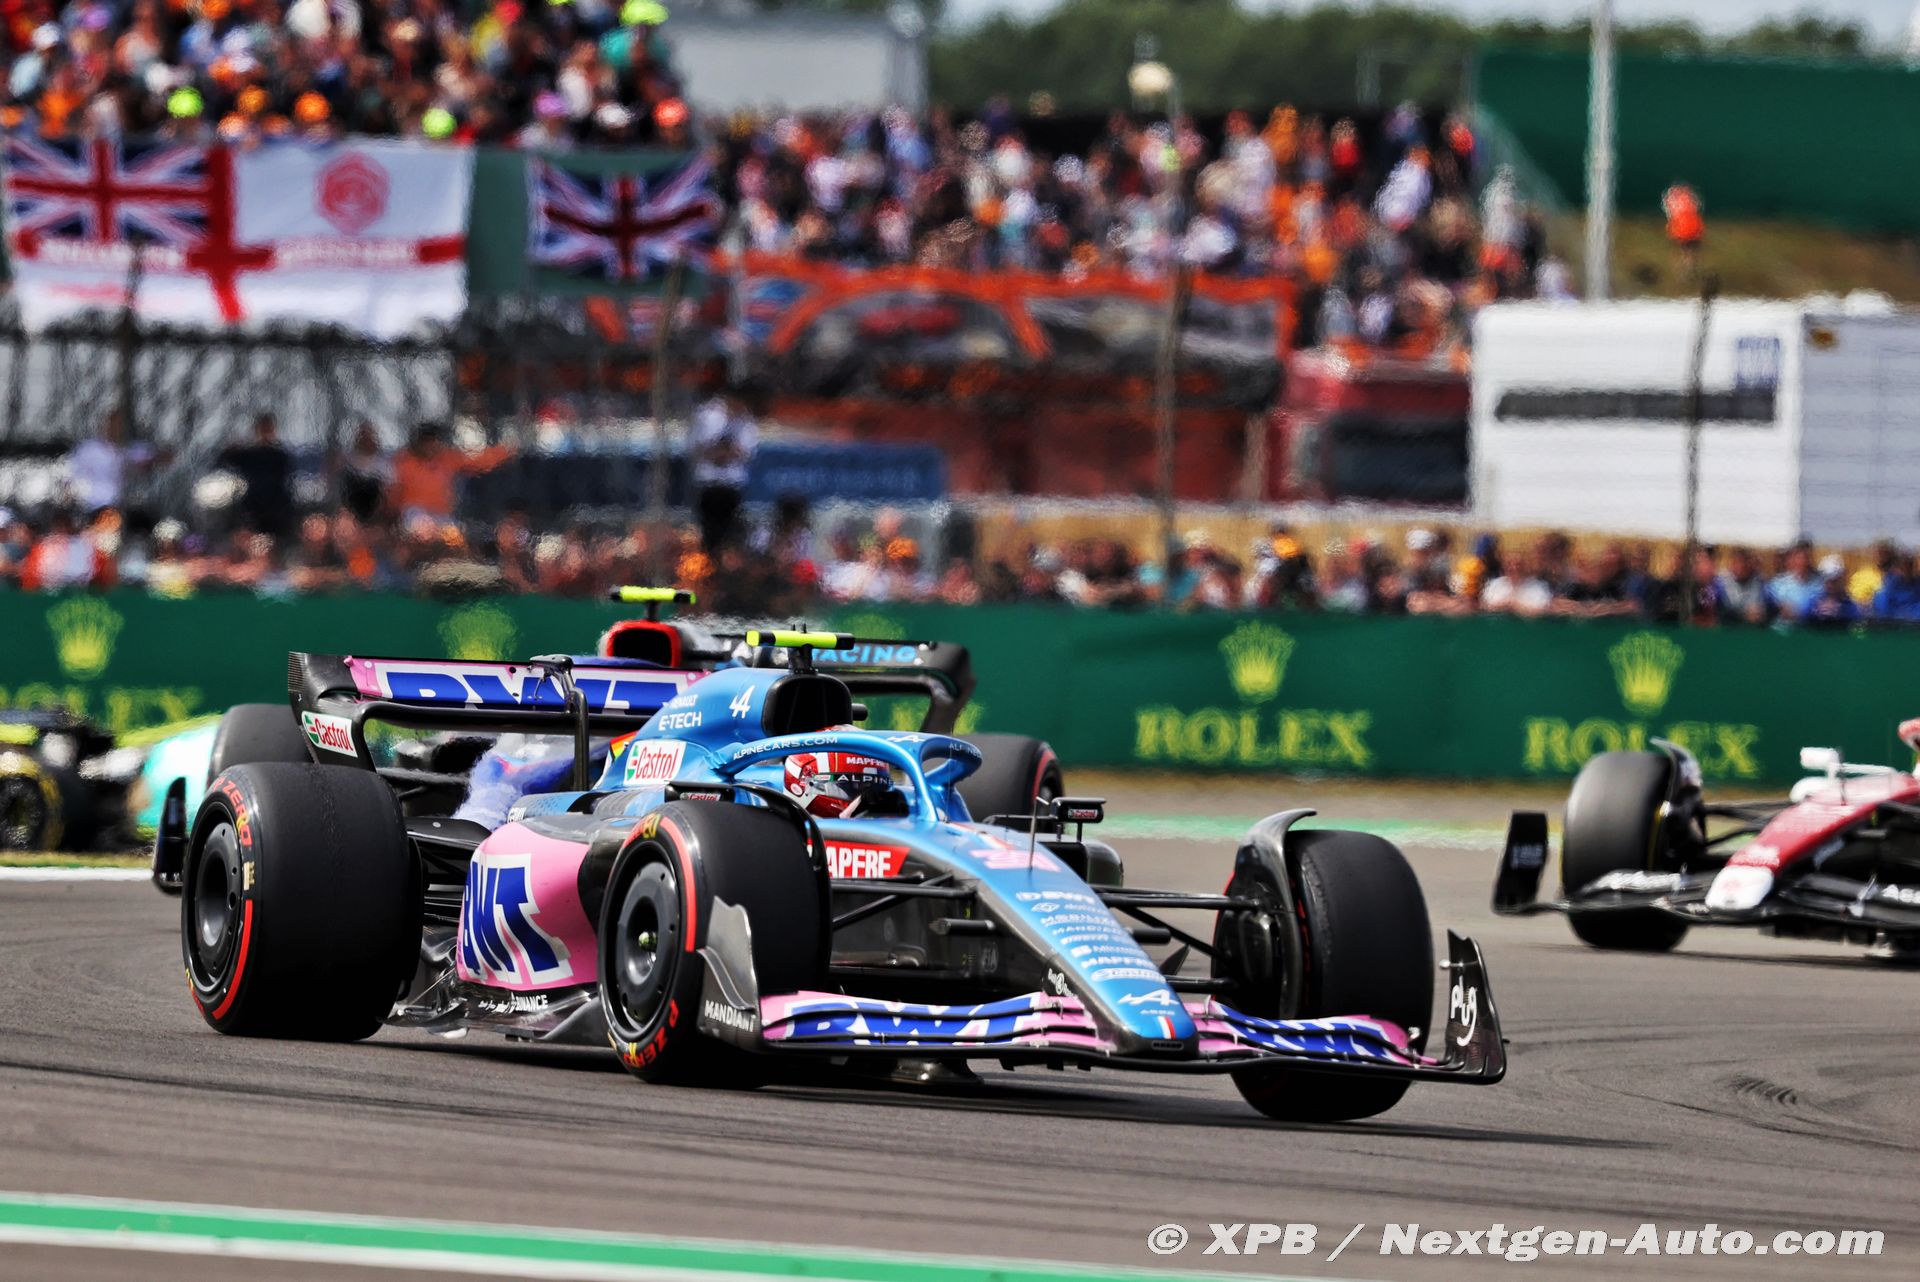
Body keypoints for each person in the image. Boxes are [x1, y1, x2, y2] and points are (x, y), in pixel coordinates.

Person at [689, 381, 759, 553]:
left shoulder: (746, 421)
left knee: (729, 534)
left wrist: (724, 452)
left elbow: (745, 453)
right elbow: (697, 447)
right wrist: (719, 452)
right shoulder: (707, 416)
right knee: (708, 531)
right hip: (709, 483)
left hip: (731, 485)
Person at [217, 413, 294, 538]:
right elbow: (224, 460)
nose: (265, 433)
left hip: (276, 506)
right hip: (253, 506)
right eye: (262, 429)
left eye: (268, 429)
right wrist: (232, 448)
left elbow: (287, 479)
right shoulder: (249, 454)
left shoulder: (280, 455)